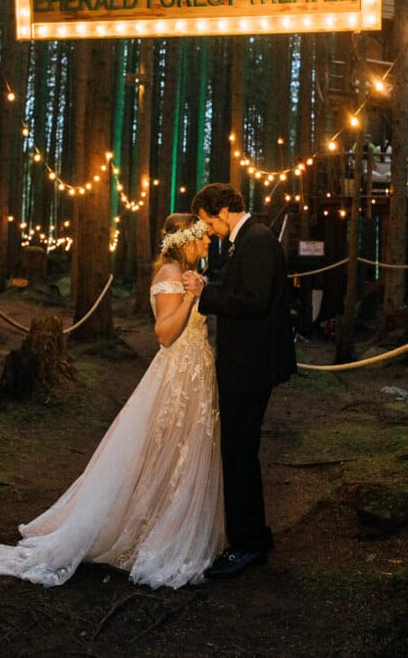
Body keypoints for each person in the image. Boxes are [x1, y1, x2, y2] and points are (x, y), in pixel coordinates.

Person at [0, 214, 225, 590]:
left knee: (183, 452)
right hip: (178, 374)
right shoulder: (169, 275)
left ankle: (170, 521)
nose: (209, 243)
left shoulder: (185, 272)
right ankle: (151, 531)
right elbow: (164, 334)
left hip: (196, 373)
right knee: (165, 450)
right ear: (186, 240)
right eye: (203, 238)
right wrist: (193, 299)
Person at [182, 183, 296, 579]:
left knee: (239, 452)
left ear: (225, 210)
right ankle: (254, 535)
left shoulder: (258, 240)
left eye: (208, 221)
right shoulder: (243, 239)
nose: (207, 230)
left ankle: (246, 544)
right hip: (243, 363)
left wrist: (206, 295)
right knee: (239, 450)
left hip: (251, 366)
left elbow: (255, 301)